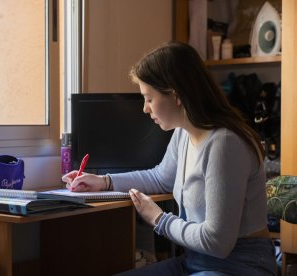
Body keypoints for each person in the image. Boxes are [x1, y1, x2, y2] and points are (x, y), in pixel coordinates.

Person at [62, 41, 276, 275]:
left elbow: (217, 242)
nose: (145, 108)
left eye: (149, 98)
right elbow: (160, 178)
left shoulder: (224, 144)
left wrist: (160, 220)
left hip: (240, 267)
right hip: (195, 262)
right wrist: (104, 182)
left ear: (176, 96)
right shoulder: (184, 132)